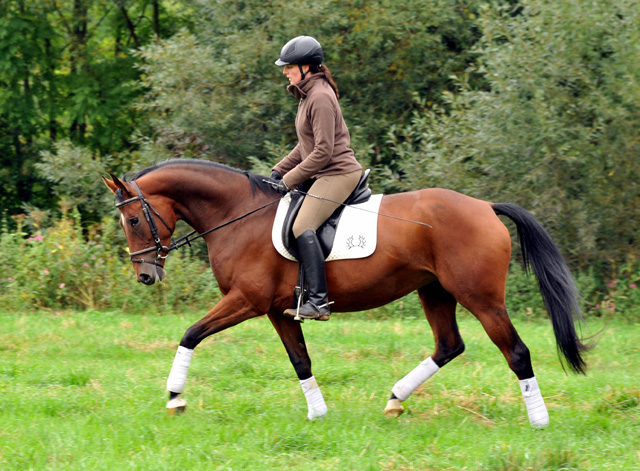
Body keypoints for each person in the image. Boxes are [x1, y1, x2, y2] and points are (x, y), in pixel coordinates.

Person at [268, 36, 362, 321]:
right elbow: (304, 145)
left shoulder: (319, 97)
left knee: (302, 225)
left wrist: (288, 181)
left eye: (289, 66)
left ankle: (319, 302)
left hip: (338, 173)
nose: (285, 71)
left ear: (307, 66)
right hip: (323, 171)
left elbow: (322, 152)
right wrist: (278, 170)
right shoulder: (308, 94)